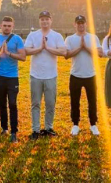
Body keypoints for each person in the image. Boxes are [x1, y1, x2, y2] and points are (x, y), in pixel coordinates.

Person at [25, 11, 66, 140]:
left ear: (51, 20)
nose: (44, 22)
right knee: (35, 103)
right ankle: (35, 130)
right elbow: (26, 51)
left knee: (50, 103)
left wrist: (48, 48)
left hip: (51, 75)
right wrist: (39, 49)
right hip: (36, 75)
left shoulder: (56, 36)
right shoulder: (33, 35)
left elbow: (63, 51)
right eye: (42, 19)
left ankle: (48, 128)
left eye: (47, 19)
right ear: (39, 21)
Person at [0, 16, 26, 143]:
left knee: (12, 103)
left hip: (12, 76)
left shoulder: (17, 39)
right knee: (2, 103)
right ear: (0, 26)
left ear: (12, 26)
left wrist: (8, 53)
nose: (7, 28)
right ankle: (4, 128)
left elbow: (23, 57)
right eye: (4, 25)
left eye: (9, 26)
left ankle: (14, 132)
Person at [65, 15, 103, 136]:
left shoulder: (93, 38)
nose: (80, 25)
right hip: (75, 74)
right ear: (74, 24)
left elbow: (100, 53)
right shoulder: (70, 39)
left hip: (90, 74)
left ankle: (93, 124)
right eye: (78, 23)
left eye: (82, 23)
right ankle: (75, 124)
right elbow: (66, 55)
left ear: (86, 24)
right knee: (74, 101)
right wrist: (79, 47)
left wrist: (86, 47)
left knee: (92, 101)